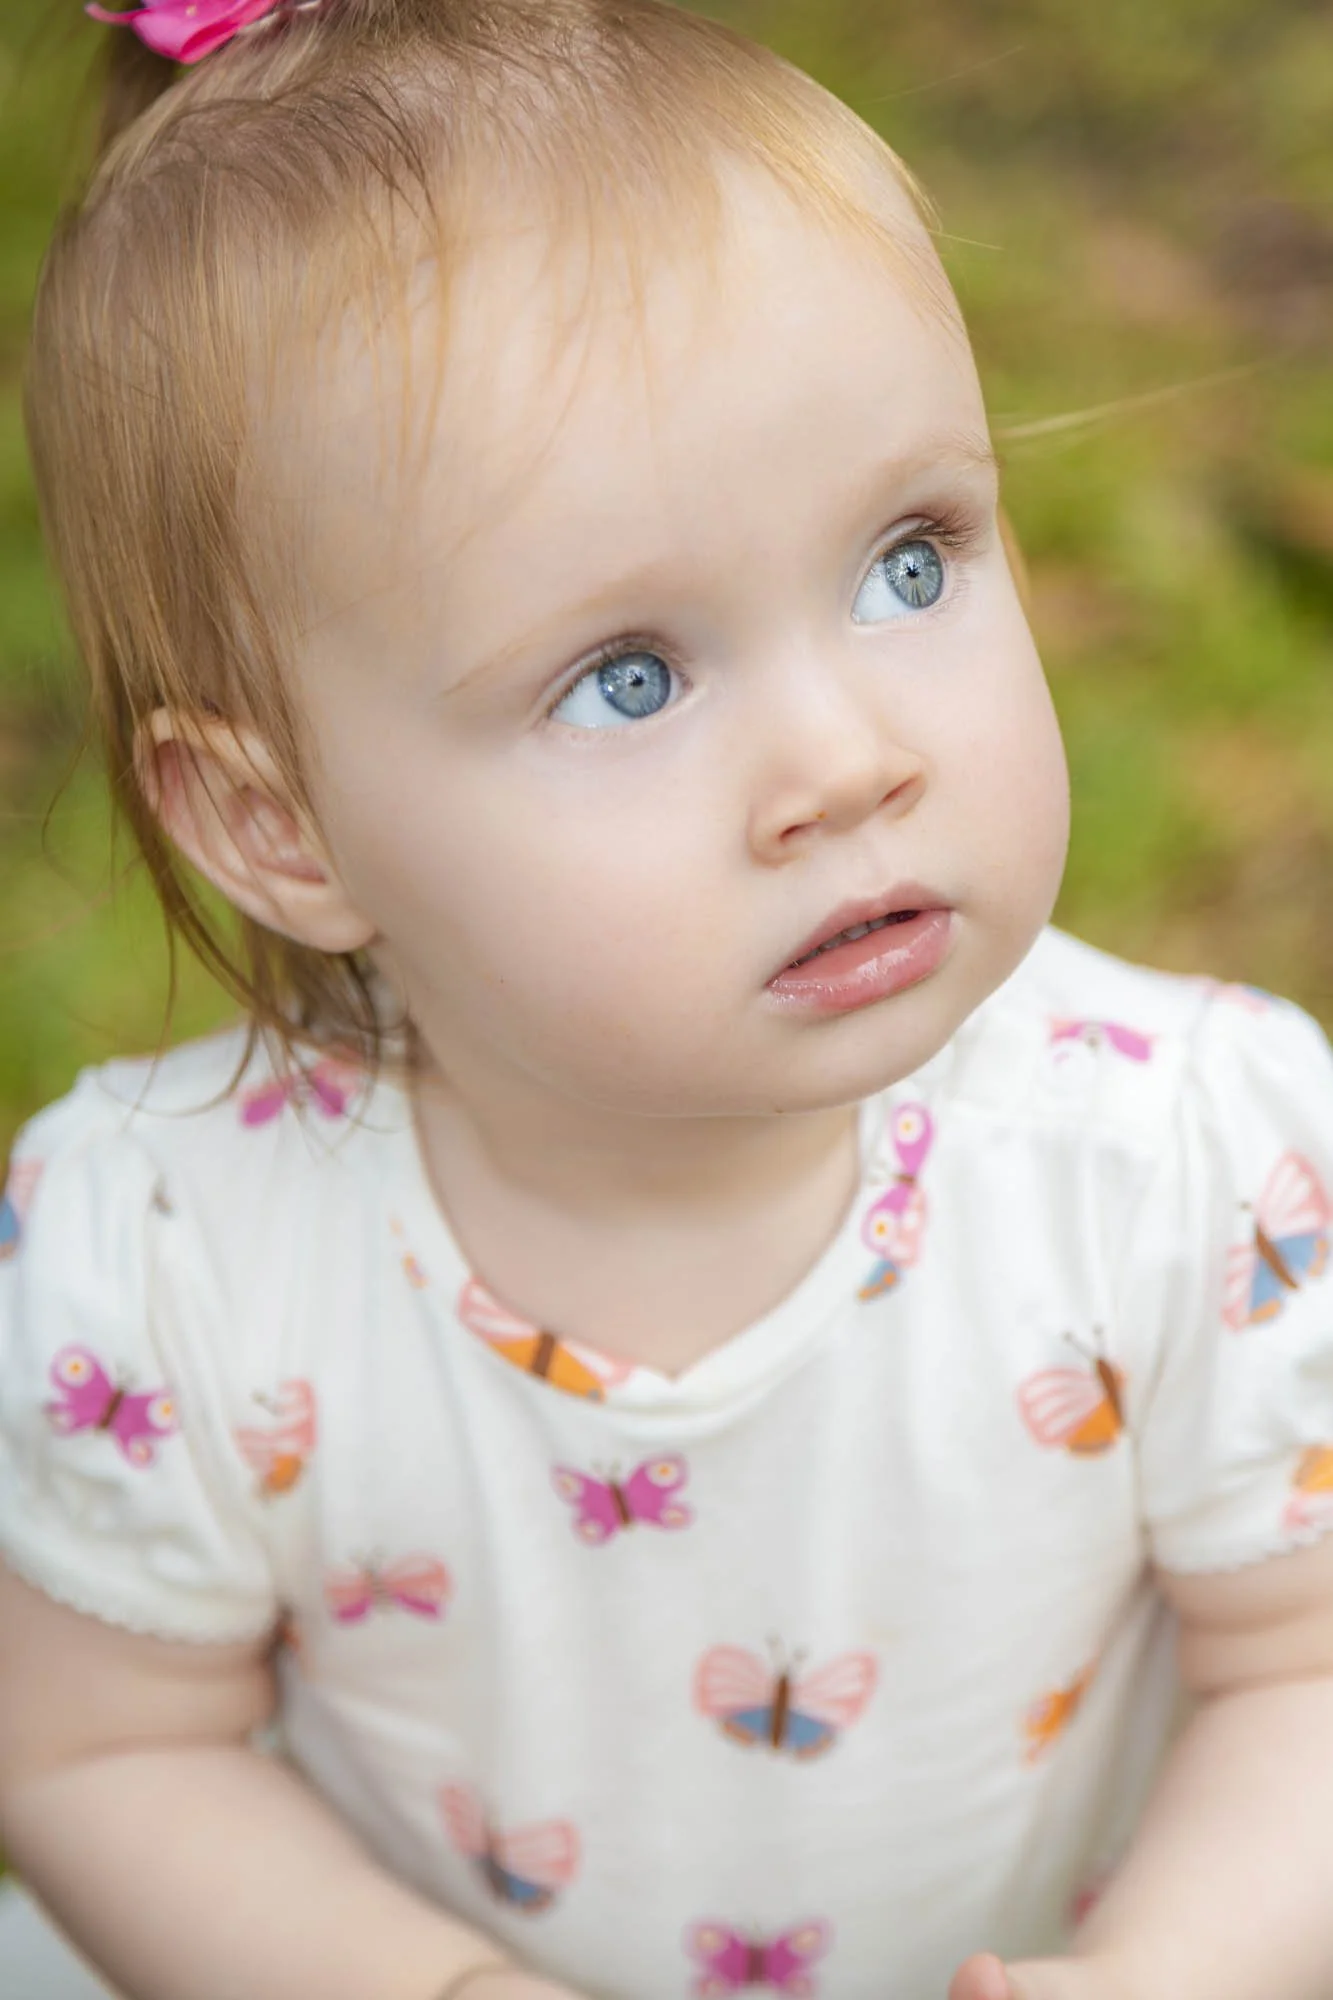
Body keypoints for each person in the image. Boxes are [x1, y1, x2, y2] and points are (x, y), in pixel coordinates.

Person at [2, 2, 1333, 1997]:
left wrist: (1162, 1972)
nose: (851, 755)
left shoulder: (1183, 1166)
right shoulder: (174, 1264)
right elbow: (98, 1747)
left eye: (909, 556)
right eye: (629, 675)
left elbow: (1304, 1667)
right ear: (282, 827)